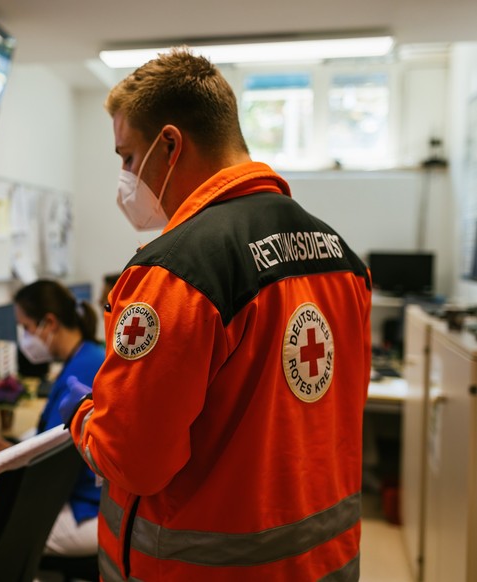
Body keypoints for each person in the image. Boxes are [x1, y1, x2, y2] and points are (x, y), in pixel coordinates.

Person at [60, 47, 372, 581]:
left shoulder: (178, 270)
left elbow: (134, 460)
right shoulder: (341, 257)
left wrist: (83, 415)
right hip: (325, 562)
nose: (126, 176)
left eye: (128, 157)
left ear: (171, 145)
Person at [10, 279, 106, 557]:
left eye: (26, 328)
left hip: (88, 507)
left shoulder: (81, 371)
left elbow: (51, 457)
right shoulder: (86, 355)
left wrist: (1, 470)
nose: (25, 338)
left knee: (7, 537)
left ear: (49, 323)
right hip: (91, 495)